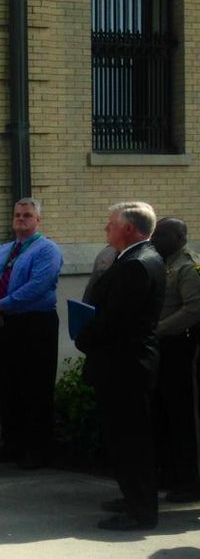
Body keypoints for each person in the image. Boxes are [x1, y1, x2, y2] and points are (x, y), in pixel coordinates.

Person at [75, 201, 166, 531]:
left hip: (125, 365)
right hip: (122, 363)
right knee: (125, 439)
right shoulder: (134, 258)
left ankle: (140, 510)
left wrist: (84, 336)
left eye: (111, 223)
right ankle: (133, 498)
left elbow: (116, 319)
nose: (106, 228)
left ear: (129, 228)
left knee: (132, 441)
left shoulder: (137, 264)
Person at [0, 198, 64, 469]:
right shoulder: (2, 251)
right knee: (6, 386)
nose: (21, 219)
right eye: (17, 215)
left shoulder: (47, 250)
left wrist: (1, 306)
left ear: (38, 220)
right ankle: (11, 444)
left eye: (27, 215)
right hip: (1, 325)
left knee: (34, 388)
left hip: (34, 324)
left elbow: (39, 285)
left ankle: (38, 450)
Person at [150, 217, 200, 503]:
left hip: (182, 348)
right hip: (163, 349)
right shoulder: (165, 263)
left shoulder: (189, 266)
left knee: (183, 416)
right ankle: (170, 473)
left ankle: (190, 480)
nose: (156, 239)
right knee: (164, 412)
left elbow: (193, 310)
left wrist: (158, 329)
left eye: (163, 234)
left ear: (180, 236)